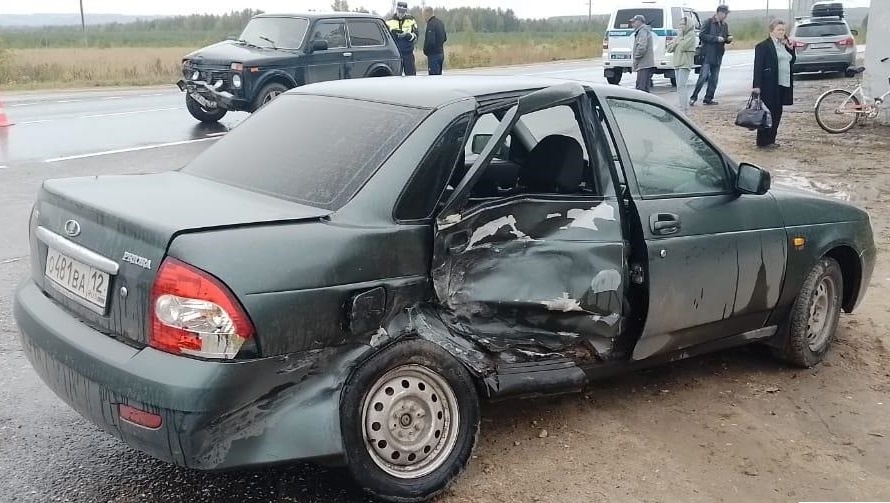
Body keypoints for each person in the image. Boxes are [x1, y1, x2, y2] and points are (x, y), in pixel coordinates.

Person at [753, 19, 796, 148]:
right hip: (769, 84)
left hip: (783, 84)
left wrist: (791, 49)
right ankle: (762, 141)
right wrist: (756, 86)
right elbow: (758, 67)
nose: (782, 32)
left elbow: (792, 60)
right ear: (771, 31)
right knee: (768, 113)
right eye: (779, 29)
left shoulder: (783, 45)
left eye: (783, 30)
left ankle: (771, 139)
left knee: (777, 112)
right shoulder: (763, 46)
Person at [690, 5, 732, 106]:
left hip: (718, 55)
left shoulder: (724, 25)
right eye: (725, 14)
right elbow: (702, 35)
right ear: (719, 12)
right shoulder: (708, 22)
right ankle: (693, 97)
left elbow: (725, 37)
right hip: (707, 55)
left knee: (714, 79)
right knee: (703, 77)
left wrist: (728, 39)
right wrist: (715, 39)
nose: (726, 16)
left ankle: (708, 98)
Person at [666, 16, 697, 112]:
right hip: (677, 63)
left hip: (685, 63)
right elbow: (669, 48)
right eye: (680, 24)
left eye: (683, 24)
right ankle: (682, 105)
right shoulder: (679, 35)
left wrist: (677, 42)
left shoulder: (691, 35)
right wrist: (676, 42)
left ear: (688, 25)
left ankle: (684, 107)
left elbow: (684, 46)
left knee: (681, 85)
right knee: (679, 86)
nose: (681, 26)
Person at [387, 1, 419, 76]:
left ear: (406, 11)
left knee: (411, 75)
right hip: (396, 54)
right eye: (400, 11)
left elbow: (416, 36)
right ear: (396, 10)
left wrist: (407, 35)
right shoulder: (389, 22)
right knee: (395, 75)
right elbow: (387, 38)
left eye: (403, 12)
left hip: (408, 53)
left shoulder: (411, 21)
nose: (401, 13)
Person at [630, 14, 655, 93]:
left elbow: (642, 47)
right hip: (645, 64)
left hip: (643, 63)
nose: (632, 24)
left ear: (639, 22)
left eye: (634, 22)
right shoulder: (643, 30)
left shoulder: (642, 31)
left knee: (641, 88)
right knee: (645, 88)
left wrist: (636, 57)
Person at [422, 6, 447, 75]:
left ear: (427, 14)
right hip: (441, 54)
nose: (423, 18)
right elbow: (445, 38)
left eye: (423, 15)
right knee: (438, 76)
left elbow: (430, 41)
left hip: (433, 55)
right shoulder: (440, 23)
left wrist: (425, 51)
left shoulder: (431, 24)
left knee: (433, 77)